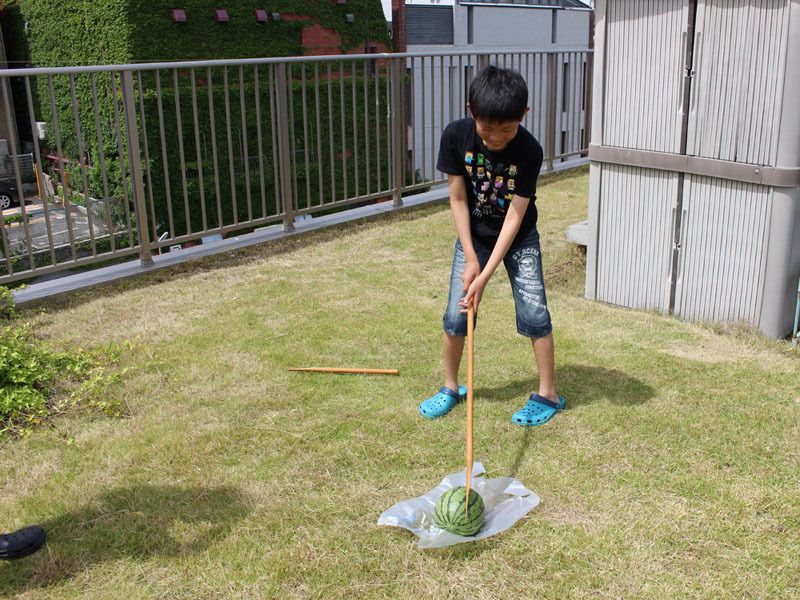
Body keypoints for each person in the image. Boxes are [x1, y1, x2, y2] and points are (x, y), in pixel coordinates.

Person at [418, 65, 565, 426]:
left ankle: (548, 394)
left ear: (524, 116)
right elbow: (457, 199)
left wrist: (485, 276)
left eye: (507, 129)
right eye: (487, 128)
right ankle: (451, 387)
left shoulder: (530, 150)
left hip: (518, 238)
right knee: (457, 313)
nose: (496, 138)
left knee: (534, 311)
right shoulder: (456, 136)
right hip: (474, 238)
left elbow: (516, 215)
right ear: (471, 111)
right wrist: (471, 258)